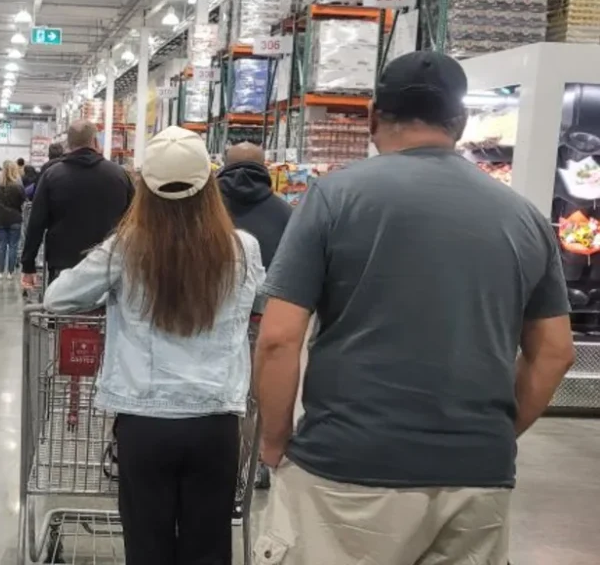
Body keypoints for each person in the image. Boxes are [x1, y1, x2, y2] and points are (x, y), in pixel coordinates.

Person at [255, 51, 575, 564]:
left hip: (350, 467)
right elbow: (555, 352)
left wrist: (274, 441)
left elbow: (278, 338)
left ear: (372, 118)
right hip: (477, 476)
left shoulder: (335, 198)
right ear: (460, 122)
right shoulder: (524, 217)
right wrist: (488, 435)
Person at [44, 126, 266, 565]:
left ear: (145, 187)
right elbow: (260, 300)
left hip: (144, 421)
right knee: (209, 547)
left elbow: (57, 297)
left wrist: (112, 296)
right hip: (216, 421)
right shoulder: (243, 248)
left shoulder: (126, 248)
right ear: (210, 184)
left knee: (147, 546)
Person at [21, 120, 133, 287]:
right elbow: (134, 221)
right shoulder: (120, 175)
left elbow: (36, 223)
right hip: (109, 267)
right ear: (95, 141)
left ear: (68, 144)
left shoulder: (52, 176)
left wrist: (28, 265)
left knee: (61, 304)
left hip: (64, 266)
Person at [217, 141, 293, 312]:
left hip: (210, 309)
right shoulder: (285, 212)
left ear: (225, 166)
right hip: (264, 311)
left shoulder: (205, 209)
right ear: (264, 167)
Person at [0, 161, 25, 279]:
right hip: (15, 217)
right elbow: (22, 200)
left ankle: (0, 271)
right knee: (13, 246)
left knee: (2, 245)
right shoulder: (18, 187)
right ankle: (11, 272)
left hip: (0, 217)